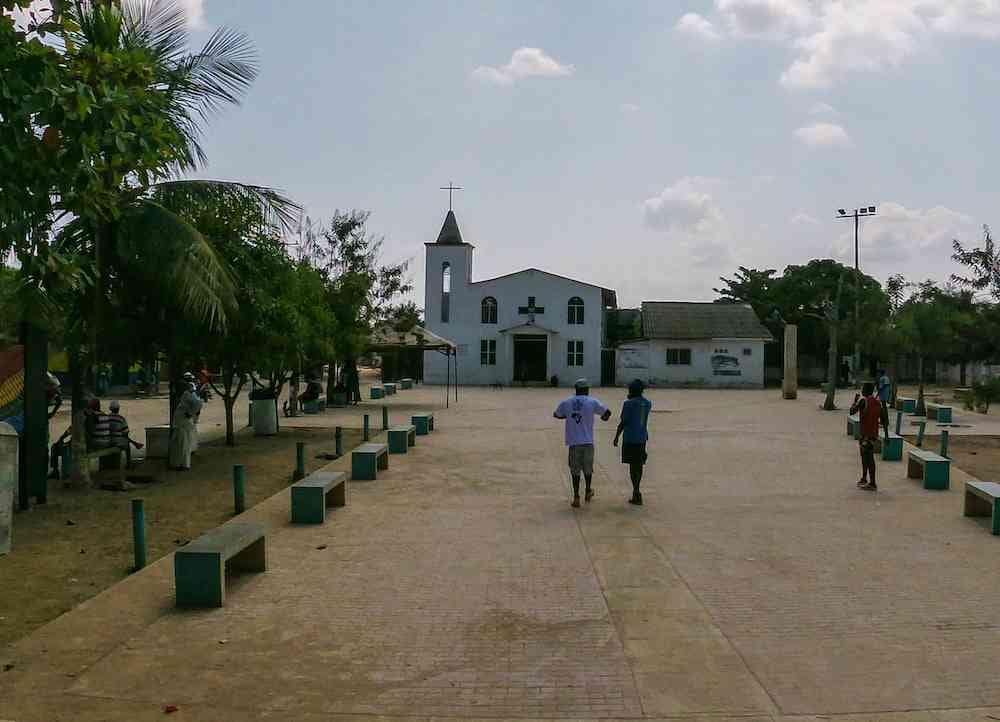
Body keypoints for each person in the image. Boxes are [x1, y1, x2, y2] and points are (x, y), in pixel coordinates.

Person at [553, 379, 612, 508]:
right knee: (588, 468)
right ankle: (588, 491)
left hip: (574, 442)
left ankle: (576, 497)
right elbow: (607, 413)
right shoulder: (592, 401)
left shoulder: (567, 402)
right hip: (588, 441)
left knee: (575, 470)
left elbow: (556, 414)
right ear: (587, 389)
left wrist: (568, 416)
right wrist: (602, 417)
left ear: (576, 388)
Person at [613, 379, 653, 506]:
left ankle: (636, 491)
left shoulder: (628, 404)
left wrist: (616, 436)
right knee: (639, 465)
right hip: (642, 438)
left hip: (630, 438)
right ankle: (637, 489)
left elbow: (623, 422)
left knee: (632, 466)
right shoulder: (647, 403)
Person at [849, 381, 889, 491]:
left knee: (868, 457)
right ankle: (864, 478)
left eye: (863, 389)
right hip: (873, 435)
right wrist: (886, 436)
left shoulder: (863, 401)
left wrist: (855, 400)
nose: (861, 391)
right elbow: (884, 420)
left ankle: (872, 483)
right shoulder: (877, 403)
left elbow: (852, 411)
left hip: (866, 434)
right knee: (865, 456)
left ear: (866, 390)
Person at [168, 382, 203, 471]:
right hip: (180, 423)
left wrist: (190, 413)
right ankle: (179, 464)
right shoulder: (185, 395)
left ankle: (183, 465)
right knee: (179, 444)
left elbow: (198, 404)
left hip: (183, 423)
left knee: (183, 444)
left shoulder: (187, 395)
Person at [108, 400, 144, 468]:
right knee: (127, 444)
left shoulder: (107, 417)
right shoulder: (121, 418)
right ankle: (128, 464)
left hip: (108, 440)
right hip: (116, 441)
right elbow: (125, 433)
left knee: (125, 439)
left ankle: (135, 444)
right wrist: (132, 442)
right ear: (118, 409)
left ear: (110, 409)